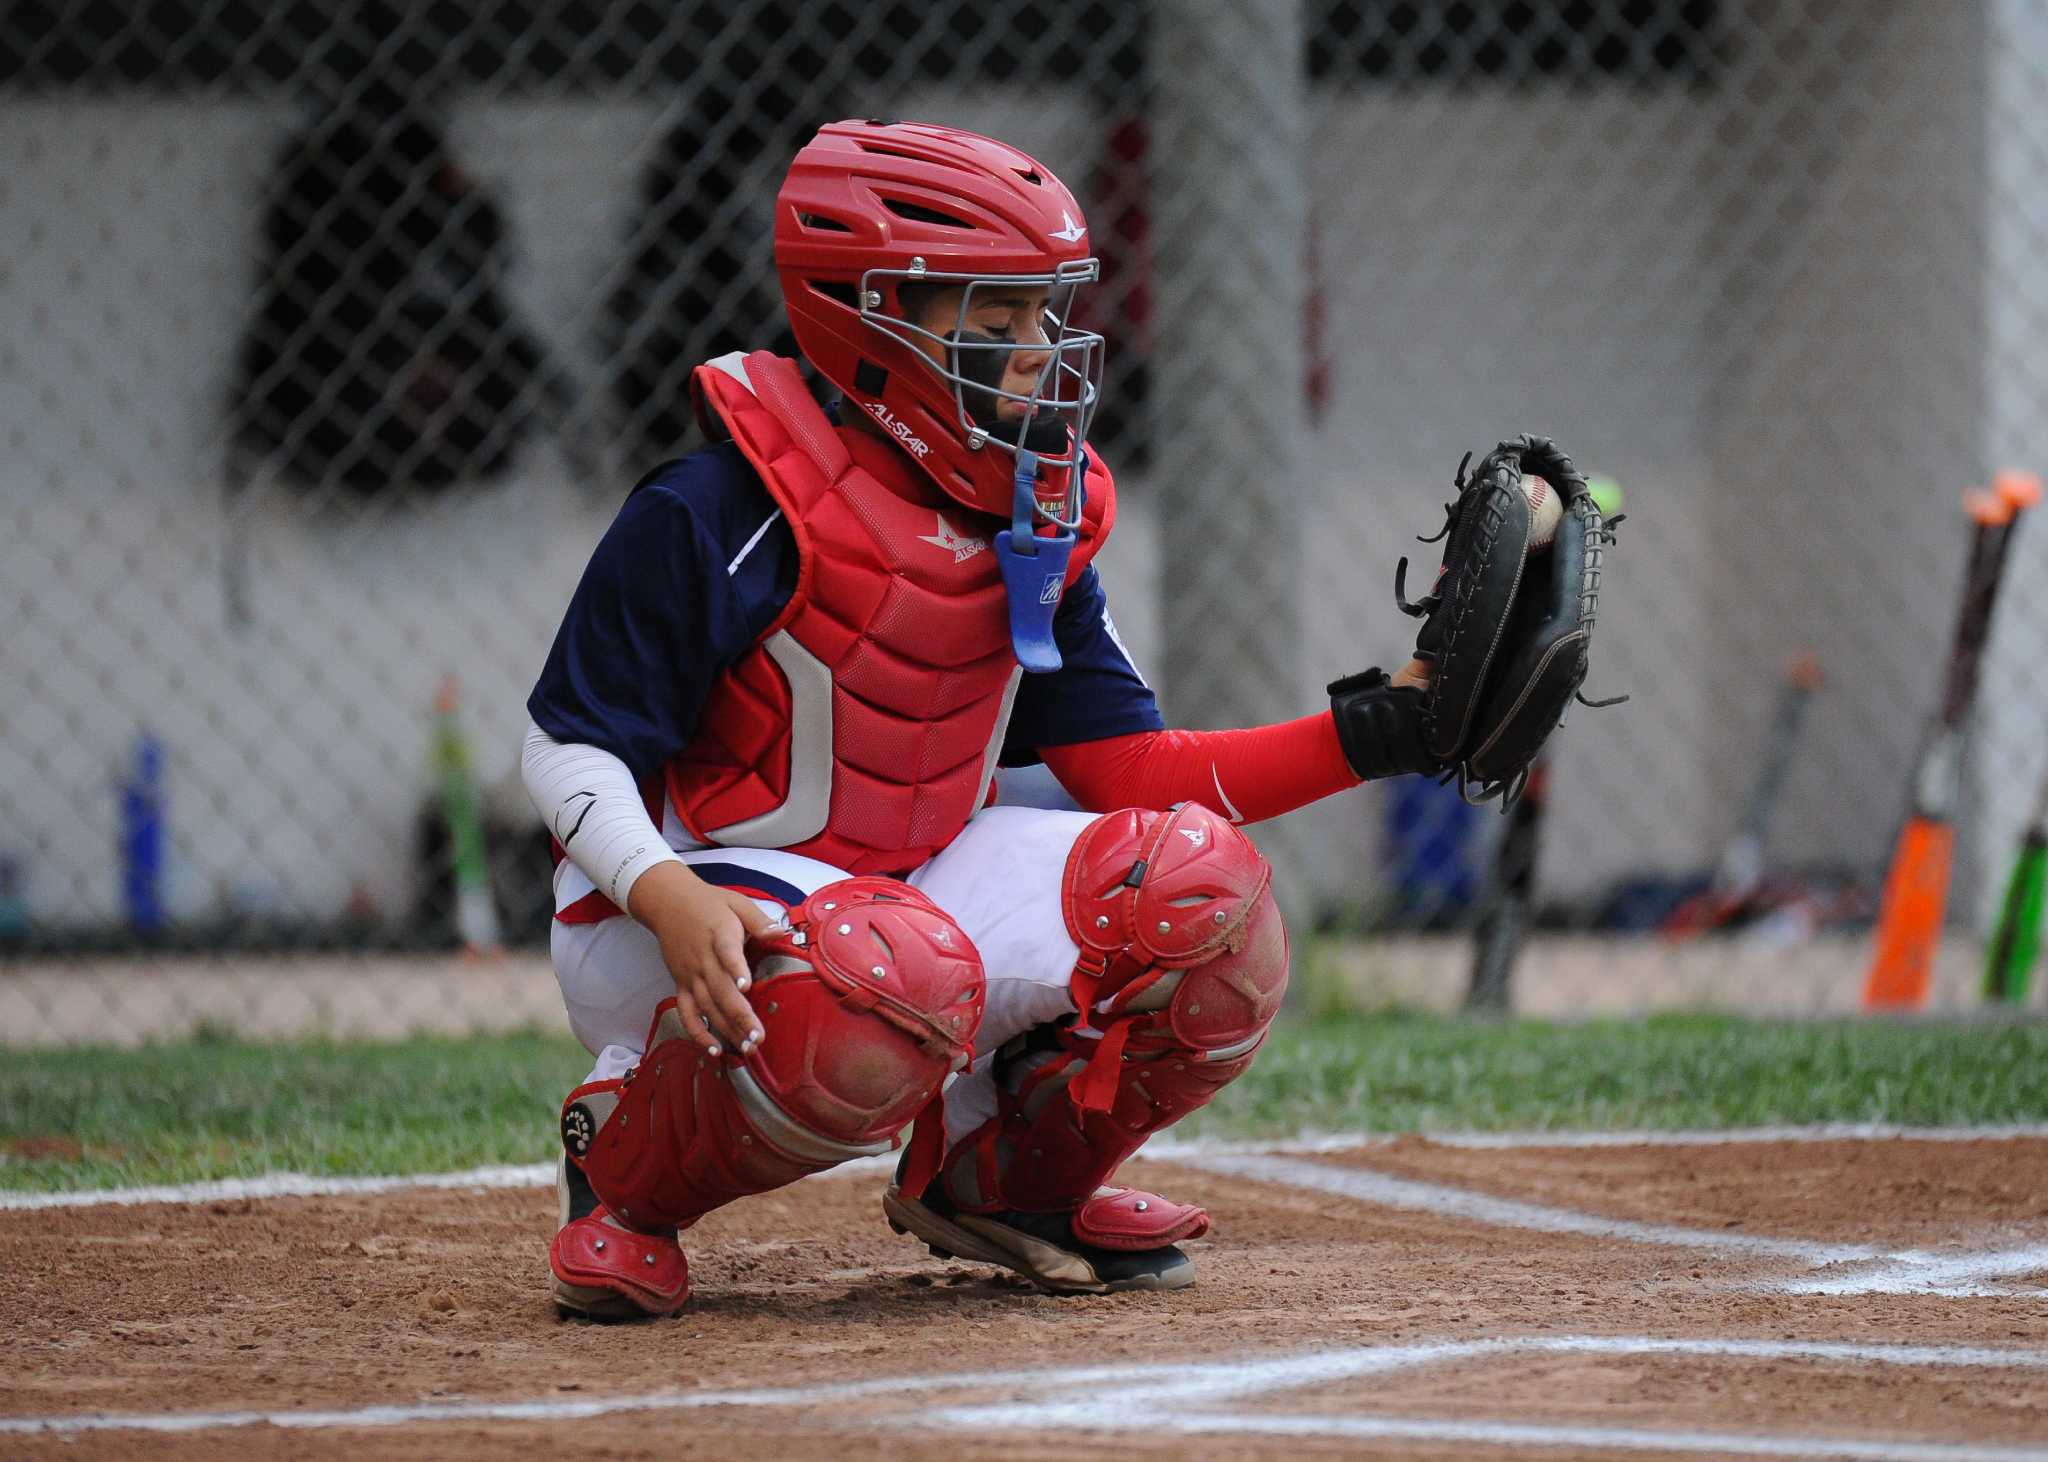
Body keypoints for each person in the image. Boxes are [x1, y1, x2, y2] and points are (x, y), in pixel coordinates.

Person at [523, 119, 1441, 1320]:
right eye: (992, 322)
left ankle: (998, 1183)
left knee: (1200, 898)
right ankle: (623, 1167)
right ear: (867, 317)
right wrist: (665, 893)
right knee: (879, 981)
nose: (1035, 357)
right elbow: (565, 742)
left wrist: (1379, 730)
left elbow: (1126, 768)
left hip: (909, 887)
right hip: (691, 902)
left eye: (1043, 318)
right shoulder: (722, 504)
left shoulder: (1033, 510)